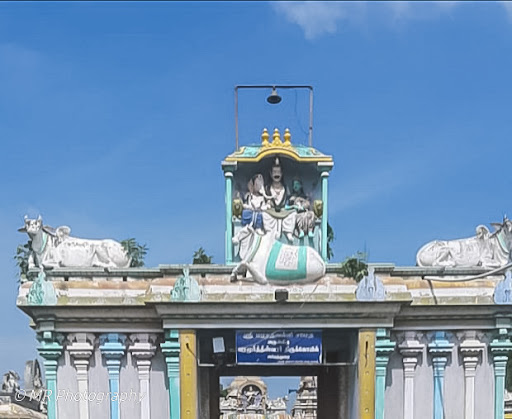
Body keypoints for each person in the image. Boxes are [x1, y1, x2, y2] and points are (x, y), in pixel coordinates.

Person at [262, 158, 296, 241]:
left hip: (283, 210)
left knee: (293, 213)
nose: (276, 174)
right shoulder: (267, 188)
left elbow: (288, 199)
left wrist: (292, 200)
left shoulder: (285, 188)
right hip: (271, 211)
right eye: (274, 172)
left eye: (278, 172)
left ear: (282, 173)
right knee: (264, 213)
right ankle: (269, 231)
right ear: (270, 173)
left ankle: (288, 232)